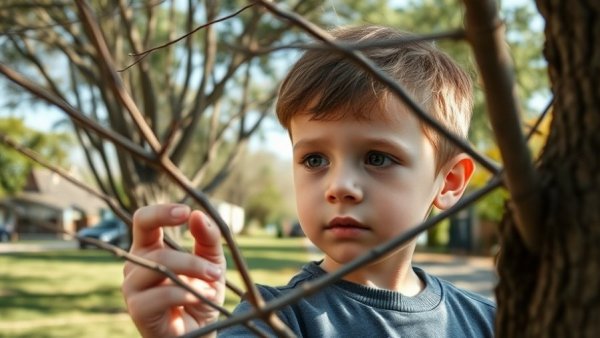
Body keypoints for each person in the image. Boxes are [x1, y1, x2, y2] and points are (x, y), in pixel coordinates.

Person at [122, 25, 495, 337]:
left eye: (377, 158)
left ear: (448, 182)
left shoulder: (489, 322)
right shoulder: (272, 320)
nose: (339, 186)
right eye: (314, 159)